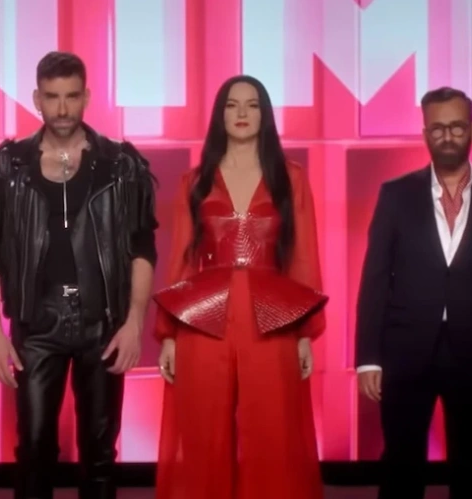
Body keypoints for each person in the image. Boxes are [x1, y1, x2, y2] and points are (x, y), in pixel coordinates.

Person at [0, 51, 158, 499]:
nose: (63, 108)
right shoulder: (8, 166)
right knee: (34, 451)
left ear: (86, 96)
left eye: (72, 96)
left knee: (100, 454)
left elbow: (141, 247)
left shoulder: (120, 165)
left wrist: (134, 322)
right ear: (37, 98)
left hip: (103, 322)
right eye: (52, 97)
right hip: (37, 323)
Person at [355, 86, 472, 499]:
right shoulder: (395, 195)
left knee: (471, 468)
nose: (448, 136)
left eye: (456, 127)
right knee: (401, 468)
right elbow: (375, 279)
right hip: (404, 352)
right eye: (437, 129)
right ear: (425, 134)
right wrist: (367, 358)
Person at [152, 75, 328, 499]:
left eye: (252, 105)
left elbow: (303, 257)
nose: (242, 113)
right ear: (220, 115)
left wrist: (305, 333)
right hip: (204, 319)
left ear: (264, 115)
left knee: (273, 432)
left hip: (271, 318)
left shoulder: (290, 178)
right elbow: (181, 261)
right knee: (203, 432)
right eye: (232, 105)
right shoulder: (195, 181)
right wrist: (169, 334)